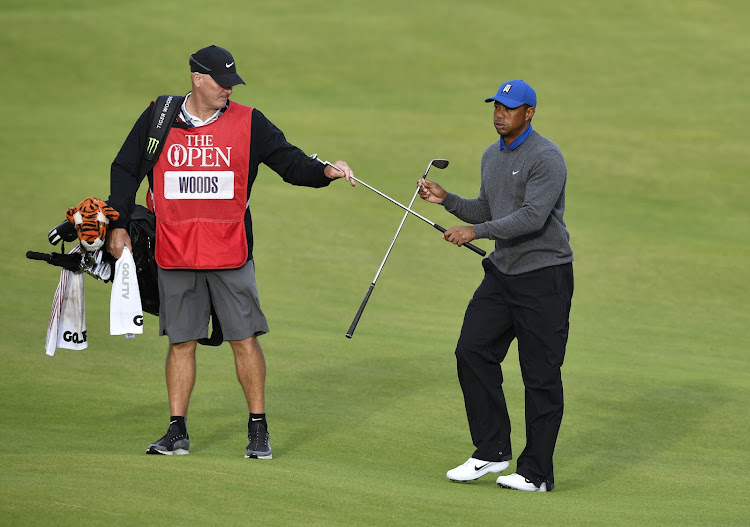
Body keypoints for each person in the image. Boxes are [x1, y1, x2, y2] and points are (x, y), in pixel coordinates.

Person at [105, 45, 355, 458]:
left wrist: (325, 171)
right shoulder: (159, 117)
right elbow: (125, 168)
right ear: (197, 79)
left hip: (230, 251)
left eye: (232, 83)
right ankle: (176, 430)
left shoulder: (249, 121)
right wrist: (117, 225)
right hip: (175, 250)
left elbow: (291, 164)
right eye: (222, 83)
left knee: (244, 338)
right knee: (181, 341)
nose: (228, 91)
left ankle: (258, 429)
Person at [418, 80, 573, 491]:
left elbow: (532, 217)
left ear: (530, 113)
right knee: (472, 350)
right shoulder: (492, 155)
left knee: (540, 375)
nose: (499, 114)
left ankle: (536, 473)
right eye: (496, 107)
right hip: (503, 274)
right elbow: (489, 207)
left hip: (545, 277)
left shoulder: (546, 156)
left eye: (509, 107)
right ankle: (492, 451)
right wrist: (447, 198)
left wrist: (476, 231)